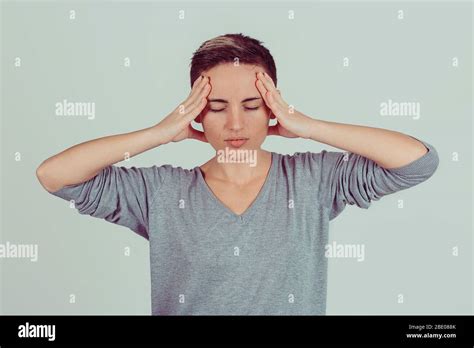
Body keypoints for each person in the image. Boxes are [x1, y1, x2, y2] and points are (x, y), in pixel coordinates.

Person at [36, 33, 439, 315]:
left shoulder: (313, 181)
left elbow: (417, 161)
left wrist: (309, 126)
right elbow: (55, 175)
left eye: (251, 105)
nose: (234, 124)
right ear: (195, 112)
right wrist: (159, 134)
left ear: (272, 108)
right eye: (216, 107)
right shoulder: (160, 191)